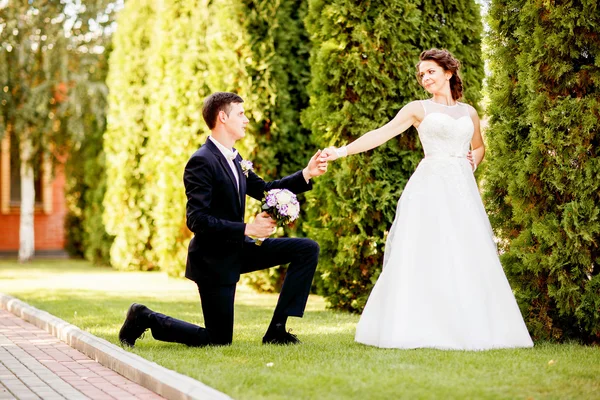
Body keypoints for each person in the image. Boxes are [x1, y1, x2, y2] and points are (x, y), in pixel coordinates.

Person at [321, 49, 533, 350]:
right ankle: (419, 325)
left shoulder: (469, 112)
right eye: (421, 74)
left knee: (467, 250)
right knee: (426, 250)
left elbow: (479, 147)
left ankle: (472, 326)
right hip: (430, 185)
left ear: (448, 72)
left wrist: (473, 160)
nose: (425, 78)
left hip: (462, 187)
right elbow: (382, 133)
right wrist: (341, 151)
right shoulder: (418, 109)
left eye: (430, 71)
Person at [119, 92, 328, 347]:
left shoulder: (236, 158)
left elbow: (265, 190)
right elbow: (197, 220)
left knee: (306, 249)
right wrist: (248, 228)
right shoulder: (201, 161)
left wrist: (307, 173)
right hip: (213, 260)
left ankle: (277, 330)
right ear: (222, 117)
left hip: (239, 250)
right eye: (241, 114)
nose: (247, 120)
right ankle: (145, 316)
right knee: (218, 340)